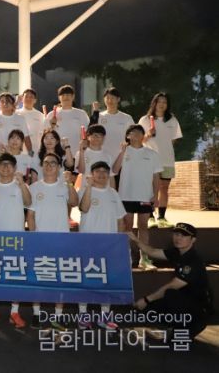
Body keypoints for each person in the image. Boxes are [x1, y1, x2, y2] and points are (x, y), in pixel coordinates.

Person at [130, 223, 212, 339]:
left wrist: (146, 299)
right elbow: (152, 252)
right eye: (176, 234)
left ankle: (187, 327)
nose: (178, 238)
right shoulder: (177, 252)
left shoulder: (193, 261)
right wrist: (135, 239)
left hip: (198, 309)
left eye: (183, 236)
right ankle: (174, 325)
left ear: (193, 240)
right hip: (185, 300)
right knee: (151, 308)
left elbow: (173, 285)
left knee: (170, 293)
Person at [27, 153, 79, 330]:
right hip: (40, 240)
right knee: (38, 278)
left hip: (61, 240)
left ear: (59, 167)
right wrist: (34, 237)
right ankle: (36, 313)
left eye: (53, 163)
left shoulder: (64, 186)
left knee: (60, 278)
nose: (49, 166)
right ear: (42, 166)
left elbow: (75, 202)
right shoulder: (34, 187)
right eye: (46, 163)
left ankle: (58, 315)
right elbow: (30, 215)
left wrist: (70, 184)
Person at [76, 161, 127, 330]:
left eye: (105, 171)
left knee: (107, 281)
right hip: (87, 244)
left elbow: (120, 220)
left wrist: (119, 243)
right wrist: (89, 187)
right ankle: (83, 316)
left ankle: (104, 317)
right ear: (92, 174)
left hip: (109, 246)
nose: (101, 174)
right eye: (97, 171)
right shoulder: (84, 190)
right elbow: (83, 208)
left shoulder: (113, 193)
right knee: (85, 280)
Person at [0, 153, 31, 329]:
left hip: (17, 239)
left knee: (15, 275)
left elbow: (28, 202)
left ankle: (14, 311)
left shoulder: (20, 185)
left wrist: (22, 184)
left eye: (9, 164)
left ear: (15, 167)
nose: (6, 167)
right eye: (2, 164)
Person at [113, 124, 162, 271]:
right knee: (127, 227)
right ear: (128, 136)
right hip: (126, 196)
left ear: (143, 136)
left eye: (139, 132)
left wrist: (156, 195)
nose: (135, 135)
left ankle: (144, 258)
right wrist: (122, 152)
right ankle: (126, 256)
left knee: (143, 227)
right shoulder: (123, 151)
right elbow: (114, 170)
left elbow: (156, 177)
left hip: (145, 196)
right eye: (132, 132)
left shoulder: (152, 154)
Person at [139, 92, 182, 228]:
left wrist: (164, 149)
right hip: (149, 160)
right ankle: (150, 216)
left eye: (165, 102)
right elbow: (138, 141)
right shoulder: (145, 120)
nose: (162, 104)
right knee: (151, 189)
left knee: (164, 188)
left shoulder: (172, 120)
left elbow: (173, 139)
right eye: (159, 101)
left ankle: (162, 217)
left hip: (167, 160)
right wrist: (148, 134)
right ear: (154, 103)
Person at [89, 87, 134, 170]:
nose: (110, 101)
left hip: (121, 158)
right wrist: (95, 112)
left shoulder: (127, 118)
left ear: (118, 99)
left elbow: (132, 138)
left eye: (112, 98)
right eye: (107, 98)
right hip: (102, 158)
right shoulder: (99, 116)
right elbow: (90, 133)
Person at [44, 85, 90, 157]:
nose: (65, 97)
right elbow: (45, 134)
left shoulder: (81, 114)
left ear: (73, 96)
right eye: (63, 95)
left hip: (77, 153)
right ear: (59, 97)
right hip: (57, 154)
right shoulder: (51, 115)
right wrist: (52, 125)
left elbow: (86, 134)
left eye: (68, 95)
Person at [75, 124, 115, 190]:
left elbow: (111, 177)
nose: (98, 138)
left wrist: (113, 192)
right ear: (88, 137)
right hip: (86, 191)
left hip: (103, 191)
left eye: (100, 136)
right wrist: (82, 152)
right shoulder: (80, 153)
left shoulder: (108, 156)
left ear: (104, 138)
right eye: (95, 135)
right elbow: (81, 171)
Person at [16, 88, 45, 153]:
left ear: (35, 100)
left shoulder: (40, 115)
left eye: (31, 97)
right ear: (22, 99)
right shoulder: (16, 113)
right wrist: (16, 102)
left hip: (36, 150)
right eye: (26, 97)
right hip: (20, 152)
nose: (28, 99)